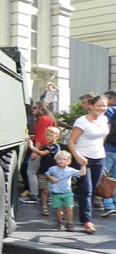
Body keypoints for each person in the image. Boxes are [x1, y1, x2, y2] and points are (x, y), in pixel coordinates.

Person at [66, 93, 109, 234]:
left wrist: (99, 151)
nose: (102, 108)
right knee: (87, 189)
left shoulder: (104, 119)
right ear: (90, 106)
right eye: (99, 105)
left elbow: (102, 137)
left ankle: (85, 215)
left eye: (104, 105)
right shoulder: (82, 121)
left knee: (93, 189)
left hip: (99, 158)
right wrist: (78, 156)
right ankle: (87, 221)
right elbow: (70, 142)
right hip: (83, 159)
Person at [21, 102, 56, 204]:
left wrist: (34, 151)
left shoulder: (42, 119)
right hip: (47, 149)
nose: (33, 109)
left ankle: (33, 195)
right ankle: (45, 196)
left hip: (40, 148)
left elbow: (41, 136)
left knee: (30, 171)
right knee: (44, 173)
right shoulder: (49, 119)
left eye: (35, 107)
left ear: (41, 108)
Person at [46, 150, 86, 232]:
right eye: (59, 159)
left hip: (67, 193)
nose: (61, 161)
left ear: (69, 161)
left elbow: (81, 173)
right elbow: (47, 174)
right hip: (56, 193)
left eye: (64, 159)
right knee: (58, 209)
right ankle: (60, 222)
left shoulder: (70, 170)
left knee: (69, 208)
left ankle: (69, 223)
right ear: (56, 160)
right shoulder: (53, 169)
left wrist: (83, 165)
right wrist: (51, 178)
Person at [27, 126, 61, 216]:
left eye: (51, 135)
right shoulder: (45, 146)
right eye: (47, 135)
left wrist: (31, 147)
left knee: (56, 190)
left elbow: (42, 153)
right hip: (44, 171)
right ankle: (44, 207)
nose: (48, 137)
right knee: (44, 190)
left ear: (57, 137)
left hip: (54, 172)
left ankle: (59, 210)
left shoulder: (55, 147)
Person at [99, 90, 116, 217]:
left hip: (109, 148)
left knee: (104, 177)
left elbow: (106, 130)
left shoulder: (110, 111)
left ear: (111, 99)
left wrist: (100, 145)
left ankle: (108, 204)